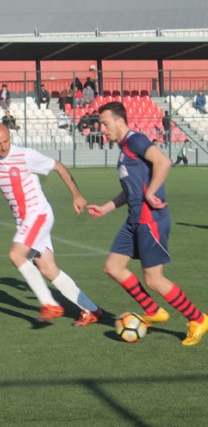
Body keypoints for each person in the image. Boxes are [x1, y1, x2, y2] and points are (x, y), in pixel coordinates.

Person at [87, 102, 208, 346]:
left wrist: (152, 191)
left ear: (120, 121)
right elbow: (129, 190)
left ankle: (198, 319)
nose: (102, 129)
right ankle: (153, 310)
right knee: (113, 267)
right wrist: (106, 207)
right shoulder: (123, 148)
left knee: (154, 279)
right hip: (133, 219)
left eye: (105, 123)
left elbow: (163, 161)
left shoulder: (135, 140)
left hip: (150, 219)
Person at [0, 123, 102, 325]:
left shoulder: (25, 155)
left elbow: (58, 167)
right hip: (23, 221)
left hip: (38, 215)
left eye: (6, 141)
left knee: (15, 254)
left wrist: (76, 195)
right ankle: (92, 310)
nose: (3, 147)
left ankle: (49, 304)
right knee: (48, 268)